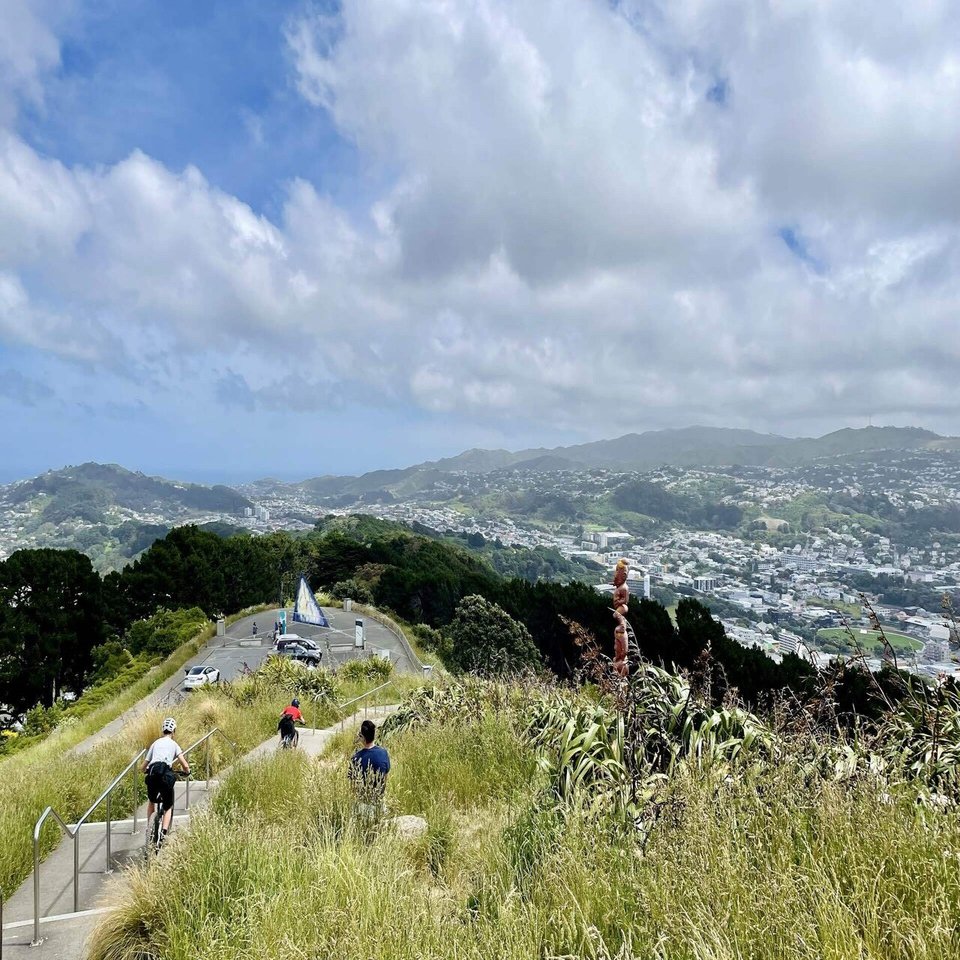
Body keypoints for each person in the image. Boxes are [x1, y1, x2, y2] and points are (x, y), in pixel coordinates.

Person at [142, 717, 190, 848]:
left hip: (152, 774)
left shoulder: (155, 743)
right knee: (168, 805)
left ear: (163, 730)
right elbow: (184, 763)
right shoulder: (174, 745)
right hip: (165, 776)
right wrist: (187, 771)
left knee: (152, 801)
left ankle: (149, 827)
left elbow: (143, 766)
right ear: (174, 731)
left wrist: (146, 770)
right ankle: (163, 833)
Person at [349, 719, 390, 819]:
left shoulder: (355, 758)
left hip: (362, 805)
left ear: (362, 737)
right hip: (378, 804)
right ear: (374, 735)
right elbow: (385, 779)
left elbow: (353, 787)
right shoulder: (383, 753)